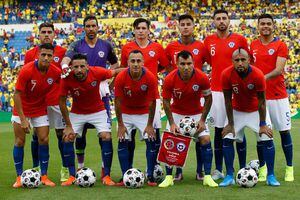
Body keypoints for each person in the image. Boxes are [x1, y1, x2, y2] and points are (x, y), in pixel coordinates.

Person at [61, 15, 119, 180]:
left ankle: (103, 170)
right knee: (80, 134)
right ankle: (80, 168)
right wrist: (65, 65)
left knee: (104, 133)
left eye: (93, 25)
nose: (91, 28)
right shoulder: (77, 44)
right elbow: (67, 57)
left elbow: (115, 64)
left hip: (100, 90)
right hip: (81, 92)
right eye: (88, 26)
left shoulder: (106, 45)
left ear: (97, 27)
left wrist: (108, 83)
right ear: (84, 28)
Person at [59, 53, 122, 186]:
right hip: (77, 112)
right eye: (76, 67)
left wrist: (137, 70)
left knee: (106, 136)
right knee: (67, 137)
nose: (79, 69)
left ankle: (106, 175)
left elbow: (116, 71)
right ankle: (71, 175)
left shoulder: (97, 72)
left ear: (88, 66)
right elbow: (62, 102)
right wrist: (69, 125)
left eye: (82, 66)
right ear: (71, 67)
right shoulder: (67, 78)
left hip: (98, 111)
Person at [220, 48, 280, 187]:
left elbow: (262, 101)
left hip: (255, 111)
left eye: (243, 60)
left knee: (267, 138)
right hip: (237, 110)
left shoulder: (258, 74)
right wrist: (230, 123)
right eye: (237, 60)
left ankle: (271, 175)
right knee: (227, 138)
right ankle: (229, 175)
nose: (240, 63)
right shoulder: (226, 74)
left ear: (249, 60)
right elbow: (228, 100)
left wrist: (263, 123)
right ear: (232, 61)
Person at [159, 50, 217, 188]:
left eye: (189, 63)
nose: (186, 67)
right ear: (177, 64)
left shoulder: (201, 77)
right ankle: (168, 177)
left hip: (196, 114)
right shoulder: (169, 78)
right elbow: (166, 102)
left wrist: (202, 120)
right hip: (177, 114)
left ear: (194, 63)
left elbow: (209, 99)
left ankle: (207, 176)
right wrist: (172, 123)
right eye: (182, 64)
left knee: (206, 139)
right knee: (169, 141)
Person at [120, 18, 169, 178]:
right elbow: (123, 68)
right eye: (138, 28)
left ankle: (153, 170)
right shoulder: (127, 47)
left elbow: (164, 65)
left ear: (149, 30)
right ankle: (129, 171)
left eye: (143, 28)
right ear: (134, 30)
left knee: (153, 135)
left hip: (150, 94)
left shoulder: (157, 47)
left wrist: (153, 73)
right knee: (129, 137)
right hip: (130, 96)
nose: (141, 31)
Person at [203, 9, 249, 180]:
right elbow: (208, 61)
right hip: (216, 91)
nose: (221, 21)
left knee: (239, 129)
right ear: (213, 22)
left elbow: (246, 63)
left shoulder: (240, 39)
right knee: (219, 130)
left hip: (237, 90)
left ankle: (243, 169)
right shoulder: (208, 41)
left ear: (229, 21)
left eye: (224, 18)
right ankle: (219, 169)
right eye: (218, 19)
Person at [250, 13, 294, 182]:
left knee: (284, 132)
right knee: (262, 134)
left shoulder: (280, 45)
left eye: (268, 23)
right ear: (258, 26)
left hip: (278, 96)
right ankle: (263, 169)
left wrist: (260, 79)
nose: (265, 26)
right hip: (260, 98)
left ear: (273, 25)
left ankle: (289, 168)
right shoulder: (252, 45)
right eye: (262, 23)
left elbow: (278, 70)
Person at [165, 14, 208, 181]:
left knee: (198, 136)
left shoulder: (201, 46)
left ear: (193, 26)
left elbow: (210, 63)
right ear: (178, 27)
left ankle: (200, 171)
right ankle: (178, 172)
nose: (185, 27)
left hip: (198, 96)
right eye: (182, 24)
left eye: (188, 24)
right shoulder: (171, 47)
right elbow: (165, 65)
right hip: (178, 97)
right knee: (177, 136)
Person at [24, 22, 68, 182]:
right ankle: (37, 168)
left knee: (61, 134)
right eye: (44, 32)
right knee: (37, 135)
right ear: (39, 34)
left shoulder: (63, 52)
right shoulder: (30, 54)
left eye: (50, 32)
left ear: (54, 34)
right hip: (38, 102)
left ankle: (65, 169)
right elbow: (27, 78)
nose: (47, 34)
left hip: (56, 101)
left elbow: (66, 75)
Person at [12, 43, 60, 188]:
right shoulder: (27, 70)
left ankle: (44, 176)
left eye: (49, 55)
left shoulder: (55, 72)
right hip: (22, 109)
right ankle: (19, 177)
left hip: (39, 109)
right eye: (43, 54)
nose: (46, 58)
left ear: (53, 57)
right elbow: (16, 94)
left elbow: (65, 84)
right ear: (38, 54)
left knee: (44, 139)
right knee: (20, 141)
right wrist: (23, 119)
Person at [115, 50, 158, 186]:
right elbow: (117, 102)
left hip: (144, 112)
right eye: (132, 61)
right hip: (126, 113)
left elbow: (153, 102)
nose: (135, 64)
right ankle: (124, 176)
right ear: (127, 63)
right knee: (122, 141)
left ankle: (150, 176)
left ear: (143, 62)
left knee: (151, 140)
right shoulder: (121, 77)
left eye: (138, 61)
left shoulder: (150, 77)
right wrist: (121, 125)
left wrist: (150, 124)